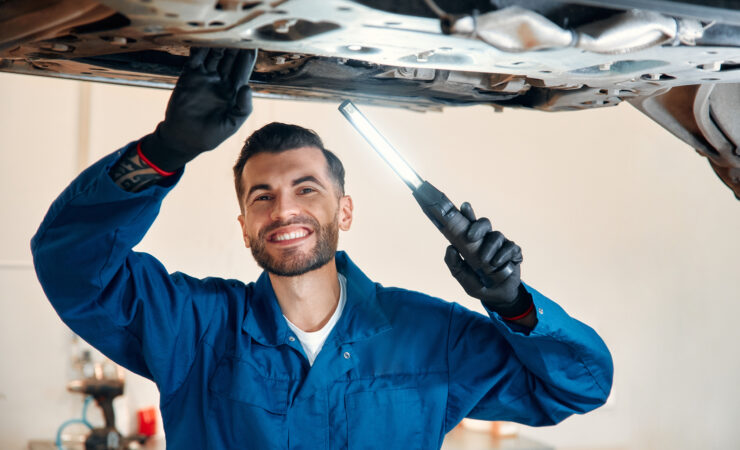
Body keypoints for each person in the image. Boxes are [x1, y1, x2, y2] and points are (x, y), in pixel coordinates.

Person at [31, 48, 613, 449]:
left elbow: (577, 388)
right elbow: (70, 262)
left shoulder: (431, 336)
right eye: (263, 197)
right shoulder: (193, 327)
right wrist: (163, 151)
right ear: (243, 224)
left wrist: (514, 304)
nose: (284, 210)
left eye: (306, 189)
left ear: (345, 210)